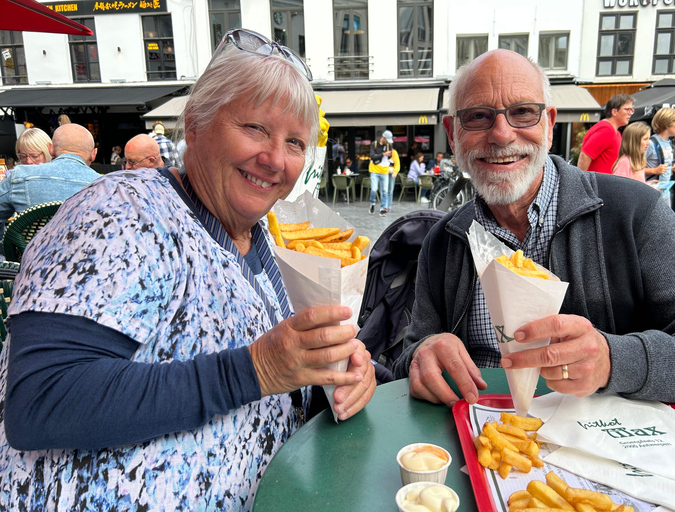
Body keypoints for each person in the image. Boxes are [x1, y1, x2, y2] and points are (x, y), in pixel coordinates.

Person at [0, 29, 375, 511]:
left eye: (295, 143)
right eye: (256, 128)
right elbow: (40, 400)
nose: (276, 159)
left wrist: (331, 378)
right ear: (195, 123)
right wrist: (256, 368)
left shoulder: (258, 237)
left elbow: (267, 374)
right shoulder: (120, 211)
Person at [391, 49, 675, 409]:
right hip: (481, 438)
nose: (502, 134)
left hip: (611, 452)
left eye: (523, 112)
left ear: (550, 125)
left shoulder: (633, 212)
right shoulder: (444, 241)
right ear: (452, 133)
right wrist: (421, 356)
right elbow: (412, 352)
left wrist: (613, 360)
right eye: (477, 116)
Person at [0, 123, 101, 245]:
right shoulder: (105, 186)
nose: (28, 161)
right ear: (93, 154)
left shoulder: (19, 177)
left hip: (31, 261)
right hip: (86, 261)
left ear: (50, 149)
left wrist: (7, 248)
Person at [577, 94, 635, 174]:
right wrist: (580, 181)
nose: (630, 113)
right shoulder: (606, 130)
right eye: (627, 109)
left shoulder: (615, 132)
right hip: (597, 184)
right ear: (614, 112)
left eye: (632, 110)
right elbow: (585, 155)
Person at [645, 108, 675, 207]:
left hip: (665, 192)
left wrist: (671, 168)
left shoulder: (668, 142)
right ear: (667, 123)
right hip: (652, 193)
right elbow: (635, 168)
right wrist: (654, 171)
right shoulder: (651, 143)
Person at [369, 130, 393, 216]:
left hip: (384, 170)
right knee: (374, 189)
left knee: (385, 190)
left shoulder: (388, 145)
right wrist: (384, 154)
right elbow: (372, 156)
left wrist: (389, 154)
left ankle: (383, 208)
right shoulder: (374, 144)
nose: (388, 142)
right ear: (384, 137)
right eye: (387, 140)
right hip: (374, 170)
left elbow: (390, 155)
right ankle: (372, 203)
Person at [384, 146, 400, 212]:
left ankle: (388, 207)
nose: (389, 152)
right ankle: (384, 206)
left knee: (390, 190)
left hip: (391, 173)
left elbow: (397, 163)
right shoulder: (382, 153)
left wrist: (395, 172)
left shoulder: (394, 153)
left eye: (390, 151)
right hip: (384, 173)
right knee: (385, 190)